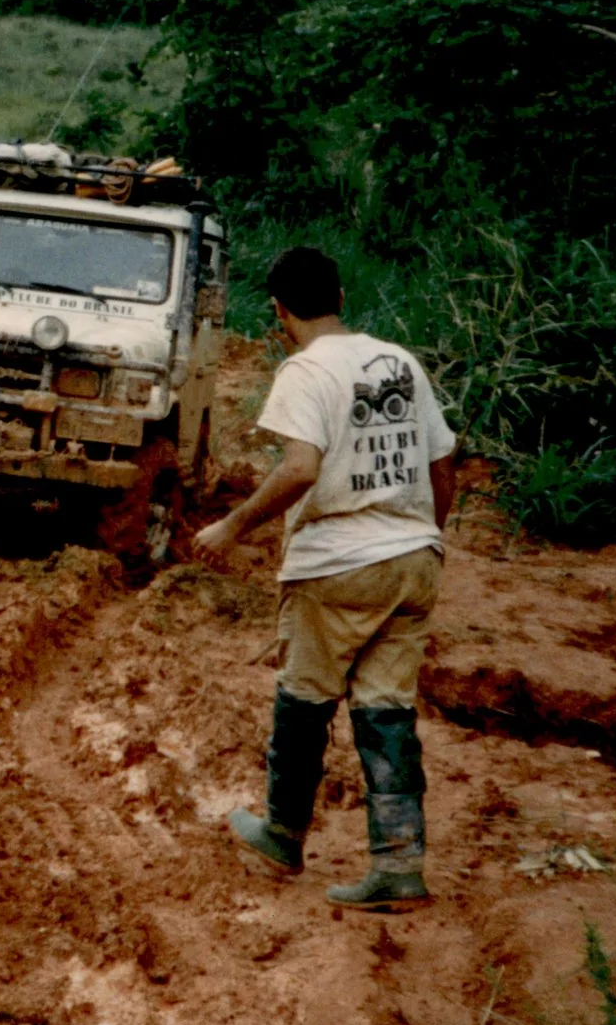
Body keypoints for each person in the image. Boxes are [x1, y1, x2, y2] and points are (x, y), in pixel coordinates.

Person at [192, 245, 459, 909]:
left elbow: (301, 468)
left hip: (337, 566)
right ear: (341, 295)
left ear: (279, 312)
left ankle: (282, 832)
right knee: (387, 708)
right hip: (413, 562)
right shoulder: (400, 362)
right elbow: (443, 460)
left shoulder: (303, 371)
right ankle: (399, 862)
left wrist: (232, 526)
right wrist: (427, 532)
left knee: (304, 698)